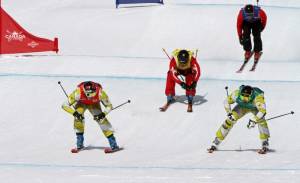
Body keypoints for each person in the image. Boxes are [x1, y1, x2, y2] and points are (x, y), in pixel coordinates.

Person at [208, 85, 270, 154]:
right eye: (243, 96)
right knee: (230, 120)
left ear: (251, 95)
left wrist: (254, 120)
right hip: (242, 107)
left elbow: (262, 111)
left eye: (247, 98)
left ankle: (265, 142)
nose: (244, 99)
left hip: (254, 108)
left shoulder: (257, 97)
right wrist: (229, 113)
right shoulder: (236, 94)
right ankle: (217, 141)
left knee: (261, 120)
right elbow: (226, 101)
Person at [62, 81, 119, 153]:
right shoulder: (78, 92)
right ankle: (79, 144)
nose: (91, 96)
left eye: (93, 93)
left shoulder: (100, 93)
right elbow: (64, 105)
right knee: (78, 118)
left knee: (102, 120)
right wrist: (75, 113)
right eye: (89, 94)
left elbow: (109, 106)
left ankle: (114, 144)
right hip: (81, 103)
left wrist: (103, 114)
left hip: (94, 104)